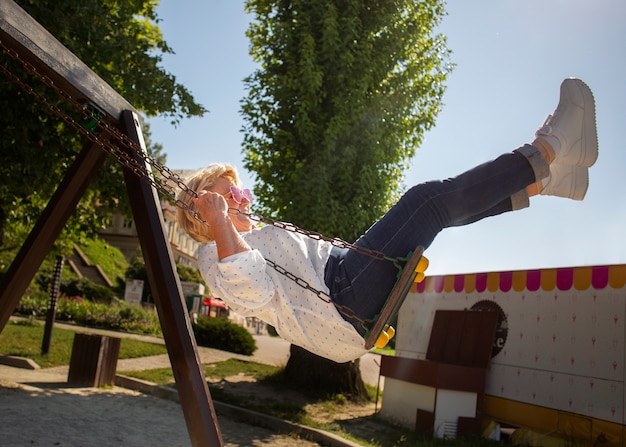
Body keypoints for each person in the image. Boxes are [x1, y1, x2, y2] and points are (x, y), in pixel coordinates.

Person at [177, 78, 598, 363]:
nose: (239, 196)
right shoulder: (212, 254)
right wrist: (220, 225)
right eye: (225, 193)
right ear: (204, 212)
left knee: (434, 215)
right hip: (337, 299)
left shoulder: (250, 237)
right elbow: (250, 289)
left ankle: (546, 181)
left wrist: (229, 222)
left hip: (342, 284)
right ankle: (549, 148)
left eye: (237, 188)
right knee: (425, 203)